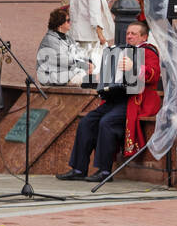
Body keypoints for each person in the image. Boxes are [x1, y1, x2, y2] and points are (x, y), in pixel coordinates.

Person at [57, 20, 162, 182]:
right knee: (87, 121)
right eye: (128, 33)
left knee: (107, 122)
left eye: (134, 33)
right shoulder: (120, 51)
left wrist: (134, 67)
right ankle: (78, 168)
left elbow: (153, 74)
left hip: (135, 101)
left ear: (144, 37)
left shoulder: (149, 52)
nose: (129, 36)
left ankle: (105, 171)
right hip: (116, 98)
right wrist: (102, 77)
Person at [68, 0, 114, 65]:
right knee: (93, 63)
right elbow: (95, 15)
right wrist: (101, 35)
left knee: (78, 62)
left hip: (75, 33)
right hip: (89, 35)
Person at [36, 6, 96, 86]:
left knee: (96, 76)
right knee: (91, 80)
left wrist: (89, 62)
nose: (70, 23)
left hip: (65, 73)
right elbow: (64, 60)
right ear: (60, 24)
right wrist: (84, 65)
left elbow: (78, 53)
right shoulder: (50, 40)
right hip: (51, 77)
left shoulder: (67, 38)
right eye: (68, 21)